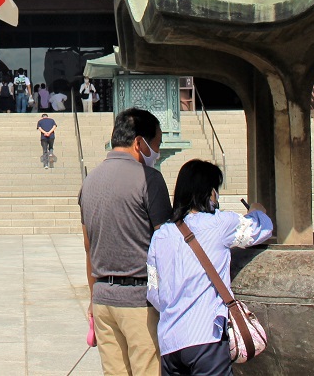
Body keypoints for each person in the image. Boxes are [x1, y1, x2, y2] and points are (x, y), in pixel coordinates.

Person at [147, 161, 273, 376]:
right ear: (210, 192)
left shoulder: (161, 235)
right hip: (206, 336)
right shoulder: (220, 223)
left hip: (170, 341)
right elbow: (262, 228)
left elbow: (153, 292)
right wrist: (257, 210)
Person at [80, 108, 171, 376]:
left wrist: (92, 296)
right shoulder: (149, 179)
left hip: (103, 299)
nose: (157, 152)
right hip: (139, 301)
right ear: (139, 143)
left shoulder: (89, 182)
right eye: (156, 145)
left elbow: (88, 247)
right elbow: (165, 242)